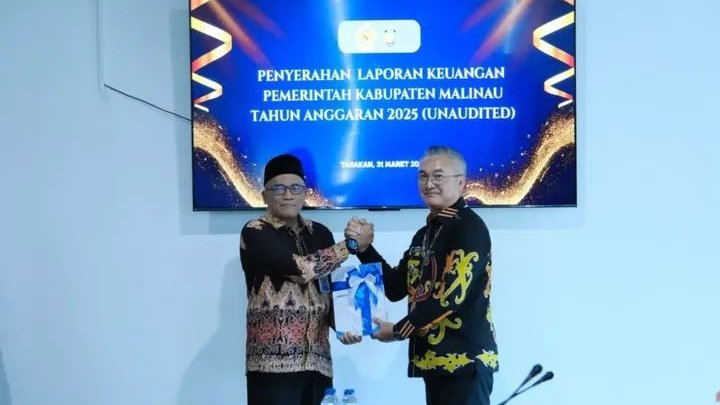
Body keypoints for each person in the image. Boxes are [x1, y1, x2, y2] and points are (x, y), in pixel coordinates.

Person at [345, 146, 498, 405]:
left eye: (438, 176)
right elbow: (395, 287)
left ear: (461, 182)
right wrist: (364, 249)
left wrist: (398, 331)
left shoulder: (468, 227)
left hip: (465, 361)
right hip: (434, 362)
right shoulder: (425, 234)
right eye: (423, 176)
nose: (429, 184)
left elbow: (449, 297)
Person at [240, 153, 360, 405]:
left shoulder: (321, 233)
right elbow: (301, 270)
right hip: (271, 367)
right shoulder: (255, 231)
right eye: (278, 188)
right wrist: (349, 246)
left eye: (295, 188)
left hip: (318, 363)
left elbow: (327, 289)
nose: (288, 195)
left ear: (305, 193)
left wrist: (345, 326)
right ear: (264, 196)